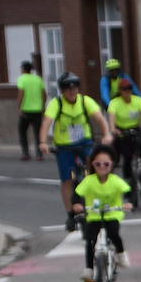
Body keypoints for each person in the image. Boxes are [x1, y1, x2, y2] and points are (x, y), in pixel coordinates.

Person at [39, 72, 111, 231]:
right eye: (67, 88)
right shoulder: (56, 103)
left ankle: (98, 203)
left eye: (74, 87)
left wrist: (106, 134)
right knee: (67, 180)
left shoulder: (86, 101)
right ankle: (70, 214)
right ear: (62, 91)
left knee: (96, 172)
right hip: (64, 146)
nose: (71, 91)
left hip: (85, 143)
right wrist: (43, 142)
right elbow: (47, 122)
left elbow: (99, 118)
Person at [70, 143, 131, 282]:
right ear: (92, 164)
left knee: (114, 233)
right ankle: (89, 269)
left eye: (106, 164)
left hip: (113, 214)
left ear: (112, 165)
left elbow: (128, 191)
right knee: (90, 239)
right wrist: (77, 204)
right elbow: (77, 194)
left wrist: (128, 202)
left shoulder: (115, 181)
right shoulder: (89, 181)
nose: (102, 167)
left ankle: (121, 255)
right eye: (98, 164)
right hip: (94, 214)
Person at [107, 78, 141, 188]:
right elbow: (111, 117)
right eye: (124, 89)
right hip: (121, 130)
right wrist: (113, 129)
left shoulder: (138, 100)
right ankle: (128, 180)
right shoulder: (114, 103)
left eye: (129, 89)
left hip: (136, 128)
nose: (127, 91)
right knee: (127, 156)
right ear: (120, 91)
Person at [16, 61, 47, 161]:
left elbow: (21, 93)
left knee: (22, 131)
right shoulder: (38, 79)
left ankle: (25, 153)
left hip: (25, 110)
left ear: (24, 69)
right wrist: (42, 106)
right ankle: (39, 155)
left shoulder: (22, 79)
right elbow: (44, 94)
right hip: (37, 110)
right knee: (38, 133)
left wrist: (19, 107)